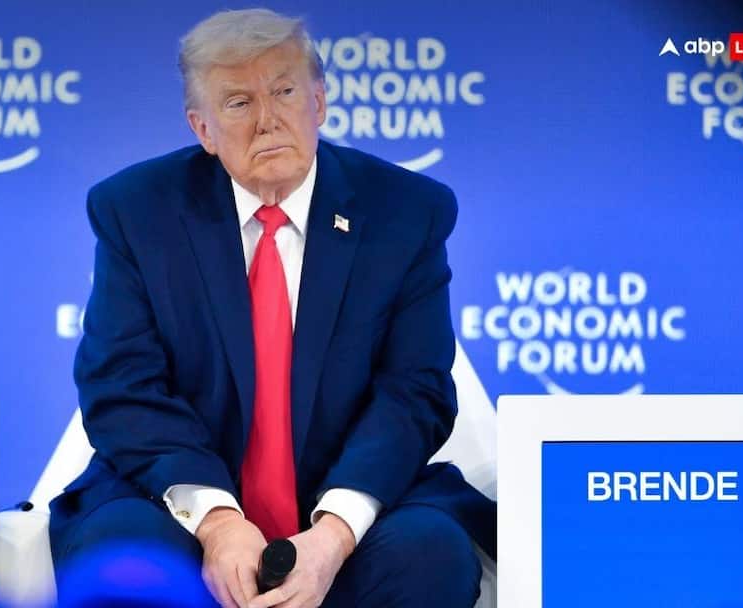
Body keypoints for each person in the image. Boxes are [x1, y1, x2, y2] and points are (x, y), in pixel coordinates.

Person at [49, 8, 495, 608]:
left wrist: (334, 534)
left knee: (429, 553)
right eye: (238, 103)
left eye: (284, 91)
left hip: (348, 499)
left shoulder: (406, 211)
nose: (268, 120)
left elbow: (414, 391)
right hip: (182, 501)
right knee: (123, 551)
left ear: (319, 100)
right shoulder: (137, 211)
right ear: (202, 129)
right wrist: (217, 522)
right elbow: (122, 385)